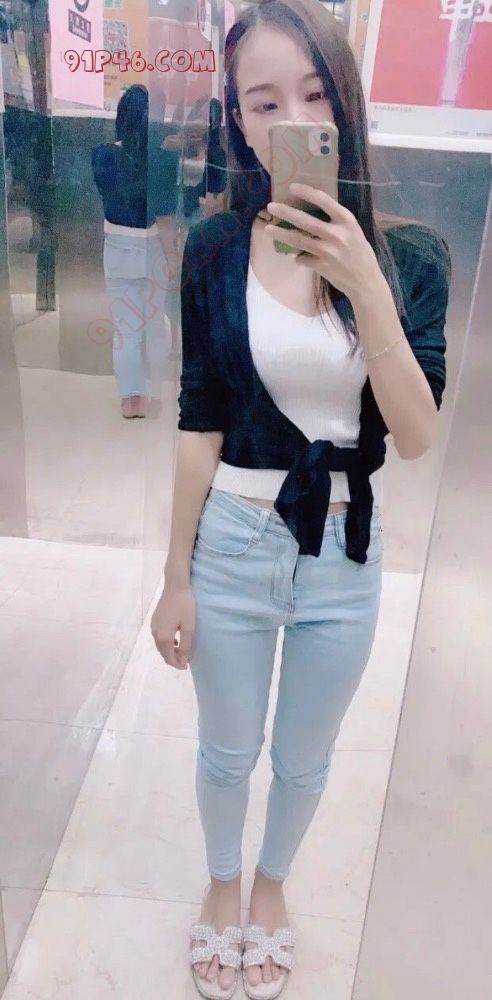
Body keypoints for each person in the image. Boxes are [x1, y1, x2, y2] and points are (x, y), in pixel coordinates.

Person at [150, 1, 451, 997]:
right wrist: (174, 575)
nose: (293, 119)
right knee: (226, 752)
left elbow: (416, 434)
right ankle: (221, 883)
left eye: (315, 95)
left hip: (344, 552)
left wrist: (365, 286)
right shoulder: (213, 249)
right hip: (233, 539)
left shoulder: (412, 257)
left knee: (304, 760)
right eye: (265, 101)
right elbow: (198, 417)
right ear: (239, 122)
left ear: (346, 105)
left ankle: (271, 888)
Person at [91, 85, 177, 419]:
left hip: (116, 246)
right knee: (154, 324)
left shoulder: (101, 155)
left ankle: (130, 401)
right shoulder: (163, 159)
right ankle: (152, 394)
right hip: (152, 246)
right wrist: (173, 258)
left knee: (125, 330)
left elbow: (107, 194)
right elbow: (165, 218)